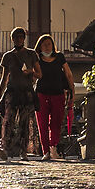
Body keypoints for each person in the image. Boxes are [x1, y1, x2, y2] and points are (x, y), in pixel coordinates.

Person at [0, 26, 39, 158]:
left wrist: (31, 71)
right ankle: (3, 147)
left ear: (24, 38)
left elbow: (40, 74)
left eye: (21, 37)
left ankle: (23, 150)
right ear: (12, 39)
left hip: (27, 92)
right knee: (8, 120)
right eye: (16, 37)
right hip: (12, 91)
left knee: (24, 123)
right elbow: (4, 77)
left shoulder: (31, 54)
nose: (19, 39)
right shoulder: (8, 56)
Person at [33, 33, 74, 162]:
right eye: (43, 45)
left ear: (53, 45)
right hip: (41, 94)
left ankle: (53, 147)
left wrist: (72, 90)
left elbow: (68, 74)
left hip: (58, 94)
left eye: (49, 44)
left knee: (56, 123)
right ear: (39, 47)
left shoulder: (60, 57)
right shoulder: (36, 59)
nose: (46, 47)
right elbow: (31, 74)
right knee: (42, 124)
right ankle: (45, 151)